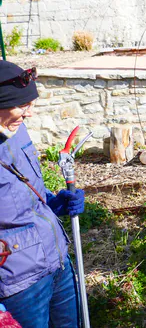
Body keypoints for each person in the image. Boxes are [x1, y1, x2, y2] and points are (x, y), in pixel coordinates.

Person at [0, 61, 86, 328]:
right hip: (18, 283)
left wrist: (52, 201)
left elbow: (22, 189)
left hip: (56, 260)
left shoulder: (16, 130)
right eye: (23, 106)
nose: (30, 113)